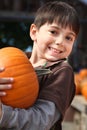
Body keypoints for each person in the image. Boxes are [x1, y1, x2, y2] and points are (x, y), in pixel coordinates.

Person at [0, 1, 80, 130]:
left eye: (69, 38)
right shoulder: (13, 58)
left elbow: (42, 120)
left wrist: (3, 114)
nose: (60, 41)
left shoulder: (61, 72)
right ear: (34, 32)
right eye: (53, 32)